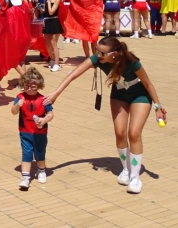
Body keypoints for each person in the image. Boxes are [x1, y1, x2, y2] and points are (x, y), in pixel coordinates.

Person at [44, 37, 165, 194]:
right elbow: (73, 75)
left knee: (134, 133)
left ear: (114, 54)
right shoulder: (97, 59)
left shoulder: (131, 62)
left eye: (102, 52)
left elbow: (148, 84)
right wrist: (56, 93)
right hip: (119, 94)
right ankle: (126, 170)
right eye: (97, 50)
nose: (98, 54)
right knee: (120, 132)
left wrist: (158, 107)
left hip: (139, 95)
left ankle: (135, 178)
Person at [11, 67, 54, 190]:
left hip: (40, 132)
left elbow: (50, 114)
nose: (29, 89)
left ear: (39, 86)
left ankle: (41, 170)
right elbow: (13, 112)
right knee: (27, 153)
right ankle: (25, 177)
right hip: (25, 131)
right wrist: (17, 106)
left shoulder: (43, 100)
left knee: (40, 152)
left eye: (33, 87)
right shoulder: (20, 97)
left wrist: (44, 120)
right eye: (26, 86)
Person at [5, 0, 32, 79]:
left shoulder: (10, 11)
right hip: (26, 36)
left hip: (16, 38)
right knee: (22, 60)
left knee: (13, 60)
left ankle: (26, 78)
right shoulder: (24, 8)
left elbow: (9, 26)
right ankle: (23, 82)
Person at [42, 0, 63, 72]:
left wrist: (49, 1)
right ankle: (53, 59)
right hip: (47, 21)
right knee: (47, 44)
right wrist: (40, 9)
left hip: (54, 21)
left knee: (54, 44)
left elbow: (51, 12)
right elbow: (46, 11)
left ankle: (57, 64)